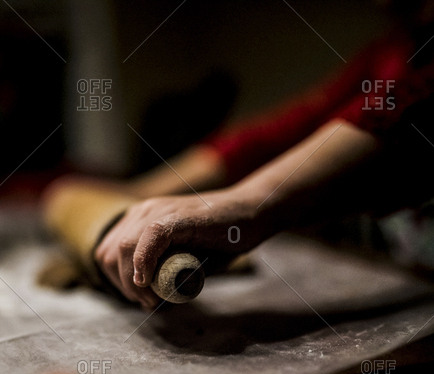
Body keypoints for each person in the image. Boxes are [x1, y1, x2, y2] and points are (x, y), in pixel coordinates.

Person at [94, 0, 434, 309]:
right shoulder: (391, 49)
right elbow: (281, 131)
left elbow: (410, 110)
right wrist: (137, 192)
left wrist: (250, 202)